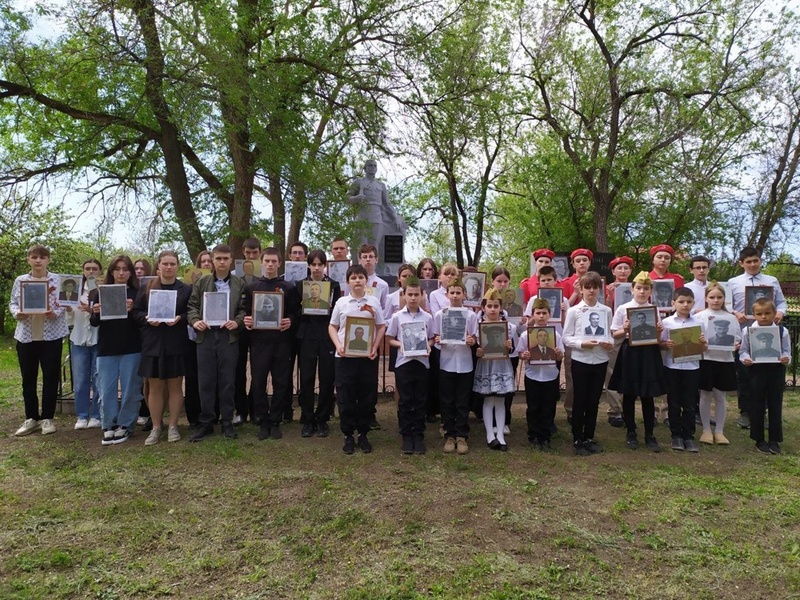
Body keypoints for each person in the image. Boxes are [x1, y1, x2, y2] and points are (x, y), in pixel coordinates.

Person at [187, 244, 247, 442]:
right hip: (205, 336)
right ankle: (206, 421)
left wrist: (237, 322)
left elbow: (243, 309)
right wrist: (195, 321)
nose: (222, 262)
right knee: (205, 380)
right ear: (212, 260)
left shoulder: (239, 283)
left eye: (225, 259)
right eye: (218, 258)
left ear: (231, 261)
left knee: (228, 380)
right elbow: (192, 306)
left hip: (228, 336)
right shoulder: (202, 282)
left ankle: (227, 420)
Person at [132, 250, 191, 446]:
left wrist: (180, 318)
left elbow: (191, 312)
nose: (169, 267)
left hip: (176, 343)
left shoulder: (185, 289)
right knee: (155, 387)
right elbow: (136, 313)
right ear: (158, 266)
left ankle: (173, 426)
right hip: (153, 343)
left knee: (175, 386)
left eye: (172, 264)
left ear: (177, 266)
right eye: (165, 263)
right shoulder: (147, 288)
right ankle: (156, 427)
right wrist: (147, 319)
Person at [11, 245, 69, 437]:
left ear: (48, 260)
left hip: (51, 336)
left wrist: (56, 313)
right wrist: (16, 313)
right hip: (26, 335)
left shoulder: (58, 280)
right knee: (28, 378)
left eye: (42, 257)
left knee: (51, 377)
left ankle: (47, 418)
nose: (38, 261)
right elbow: (13, 303)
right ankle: (31, 418)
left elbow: (66, 302)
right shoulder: (21, 281)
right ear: (28, 259)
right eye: (34, 257)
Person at [727, 246, 787, 429]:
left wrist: (780, 313)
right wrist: (736, 313)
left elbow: (781, 303)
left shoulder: (771, 280)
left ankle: (763, 412)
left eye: (755, 261)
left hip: (767, 333)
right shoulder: (733, 282)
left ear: (760, 261)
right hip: (743, 333)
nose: (752, 264)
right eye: (748, 262)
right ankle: (745, 412)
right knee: (744, 375)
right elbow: (727, 305)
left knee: (766, 375)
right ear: (741, 263)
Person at [328, 264, 386, 454]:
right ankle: (348, 435)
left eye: (360, 277)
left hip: (367, 357)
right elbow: (332, 326)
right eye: (353, 278)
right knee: (345, 396)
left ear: (366, 280)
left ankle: (363, 433)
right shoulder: (342, 302)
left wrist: (375, 347)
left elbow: (381, 326)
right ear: (348, 282)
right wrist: (338, 345)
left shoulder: (374, 302)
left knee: (366, 396)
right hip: (345, 357)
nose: (357, 280)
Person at [243, 247, 300, 441]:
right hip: (259, 342)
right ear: (262, 262)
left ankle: (276, 420)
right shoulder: (252, 287)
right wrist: (247, 320)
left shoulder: (288, 287)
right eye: (267, 261)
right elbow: (244, 312)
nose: (270, 264)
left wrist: (290, 320)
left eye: (274, 261)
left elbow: (296, 312)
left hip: (281, 342)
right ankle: (263, 420)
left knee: (281, 382)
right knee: (258, 382)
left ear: (279, 263)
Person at [609, 271, 665, 452]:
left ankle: (650, 434)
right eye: (639, 288)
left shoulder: (654, 310)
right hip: (630, 352)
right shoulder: (622, 309)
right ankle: (631, 432)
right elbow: (614, 334)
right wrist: (625, 329)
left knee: (648, 395)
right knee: (629, 393)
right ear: (632, 289)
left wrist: (659, 330)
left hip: (649, 353)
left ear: (651, 291)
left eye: (646, 288)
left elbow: (658, 338)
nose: (642, 292)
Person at [89, 255, 142, 445]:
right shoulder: (100, 292)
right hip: (106, 348)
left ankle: (126, 425)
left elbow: (142, 321)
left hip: (131, 348)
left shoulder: (138, 293)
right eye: (117, 269)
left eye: (125, 269)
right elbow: (94, 323)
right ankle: (108, 425)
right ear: (111, 272)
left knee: (130, 390)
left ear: (131, 273)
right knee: (106, 390)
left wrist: (133, 309)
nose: (121, 273)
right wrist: (95, 312)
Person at [563, 272, 613, 456]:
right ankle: (577, 438)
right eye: (588, 287)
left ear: (600, 289)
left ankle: (589, 437)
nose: (591, 291)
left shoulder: (606, 311)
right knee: (580, 399)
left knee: (594, 400)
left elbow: (609, 335)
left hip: (600, 360)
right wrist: (581, 344)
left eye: (595, 287)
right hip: (581, 360)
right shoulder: (574, 311)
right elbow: (566, 337)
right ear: (581, 289)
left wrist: (609, 344)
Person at [296, 249, 341, 438]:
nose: (316, 268)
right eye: (313, 264)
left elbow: (337, 314)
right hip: (307, 336)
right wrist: (301, 308)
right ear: (308, 266)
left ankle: (322, 419)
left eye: (319, 264)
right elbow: (294, 313)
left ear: (324, 266)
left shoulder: (334, 285)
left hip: (326, 336)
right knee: (306, 378)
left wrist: (330, 308)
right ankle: (307, 419)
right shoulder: (300, 285)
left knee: (327, 378)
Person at [386, 276, 433, 454]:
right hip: (404, 363)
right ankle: (406, 435)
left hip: (421, 363)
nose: (413, 298)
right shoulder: (397, 317)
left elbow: (431, 338)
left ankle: (418, 435)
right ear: (404, 295)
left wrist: (428, 346)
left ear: (422, 295)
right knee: (405, 401)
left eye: (416, 294)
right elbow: (390, 339)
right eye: (410, 294)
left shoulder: (427, 318)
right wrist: (402, 345)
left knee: (420, 400)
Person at [739, 298, 790, 454]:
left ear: (774, 313)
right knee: (756, 403)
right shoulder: (748, 331)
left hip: (776, 370)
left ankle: (774, 439)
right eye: (759, 314)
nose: (763, 317)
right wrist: (745, 359)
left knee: (775, 403)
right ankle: (759, 439)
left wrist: (786, 358)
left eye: (767, 313)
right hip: (756, 370)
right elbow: (743, 351)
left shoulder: (782, 331)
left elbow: (786, 351)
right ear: (754, 315)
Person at [660, 287, 707, 452]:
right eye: (681, 301)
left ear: (693, 303)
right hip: (672, 367)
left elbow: (704, 347)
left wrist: (703, 343)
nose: (685, 305)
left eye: (688, 302)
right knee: (673, 402)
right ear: (673, 303)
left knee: (690, 403)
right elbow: (661, 344)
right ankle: (676, 436)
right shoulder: (667, 322)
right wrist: (666, 344)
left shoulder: (699, 323)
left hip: (692, 367)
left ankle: (688, 436)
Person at [433, 278, 478, 455]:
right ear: (447, 295)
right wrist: (438, 339)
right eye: (452, 292)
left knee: (462, 401)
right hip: (447, 362)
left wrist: (472, 340)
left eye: (458, 292)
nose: (455, 295)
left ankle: (461, 435)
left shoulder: (471, 315)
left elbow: (475, 337)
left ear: (464, 295)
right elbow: (436, 337)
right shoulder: (440, 315)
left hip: (465, 363)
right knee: (447, 401)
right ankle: (449, 435)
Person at [696, 283, 739, 445]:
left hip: (724, 360)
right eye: (712, 297)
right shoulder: (700, 316)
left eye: (719, 297)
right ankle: (706, 430)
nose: (715, 300)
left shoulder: (731, 318)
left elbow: (737, 338)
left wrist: (736, 345)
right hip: (706, 360)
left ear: (724, 299)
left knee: (720, 396)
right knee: (705, 395)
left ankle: (719, 431)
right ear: (706, 298)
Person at [474, 290, 517, 451]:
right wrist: (477, 351)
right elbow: (475, 348)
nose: (492, 309)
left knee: (500, 400)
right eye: (489, 306)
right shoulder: (478, 326)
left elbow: (513, 350)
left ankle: (500, 434)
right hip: (486, 365)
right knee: (488, 400)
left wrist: (509, 346)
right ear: (483, 308)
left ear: (501, 308)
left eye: (496, 306)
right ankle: (489, 434)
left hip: (502, 365)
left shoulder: (509, 327)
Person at [347, 159, 407, 273]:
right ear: (365, 168)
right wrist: (356, 198)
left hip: (377, 219)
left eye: (374, 166)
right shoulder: (358, 182)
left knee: (374, 247)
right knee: (362, 247)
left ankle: (373, 272)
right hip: (362, 219)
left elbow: (387, 204)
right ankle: (360, 272)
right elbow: (346, 198)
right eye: (370, 165)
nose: (372, 168)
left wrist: (395, 218)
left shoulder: (381, 185)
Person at [518, 299, 563, 449]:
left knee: (548, 407)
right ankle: (534, 435)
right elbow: (520, 353)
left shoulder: (555, 335)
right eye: (538, 313)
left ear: (549, 314)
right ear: (533, 315)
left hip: (550, 375)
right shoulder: (526, 335)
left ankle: (545, 436)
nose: (541, 316)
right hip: (533, 375)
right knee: (533, 407)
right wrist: (524, 355)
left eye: (544, 313)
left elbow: (560, 357)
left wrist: (558, 354)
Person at [69, 259, 103, 430]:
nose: (91, 271)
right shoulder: (74, 290)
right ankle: (82, 415)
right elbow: (69, 319)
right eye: (87, 268)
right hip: (79, 339)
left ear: (100, 271)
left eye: (94, 269)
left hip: (99, 339)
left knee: (98, 379)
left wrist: (93, 311)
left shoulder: (104, 290)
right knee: (81, 380)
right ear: (83, 271)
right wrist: (68, 309)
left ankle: (96, 415)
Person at [233, 237, 262, 424]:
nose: (251, 256)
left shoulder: (265, 273)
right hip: (240, 328)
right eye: (248, 252)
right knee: (239, 370)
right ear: (243, 252)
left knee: (258, 370)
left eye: (255, 253)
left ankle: (256, 408)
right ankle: (241, 410)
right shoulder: (234, 275)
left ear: (260, 252)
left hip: (260, 328)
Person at [602, 256, 633, 427]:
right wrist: (608, 296)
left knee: (630, 371)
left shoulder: (637, 288)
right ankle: (614, 411)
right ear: (613, 271)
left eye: (626, 268)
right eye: (619, 268)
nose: (623, 271)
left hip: (634, 335)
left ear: (630, 271)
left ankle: (628, 409)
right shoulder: (607, 288)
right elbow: (604, 312)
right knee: (612, 370)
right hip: (615, 332)